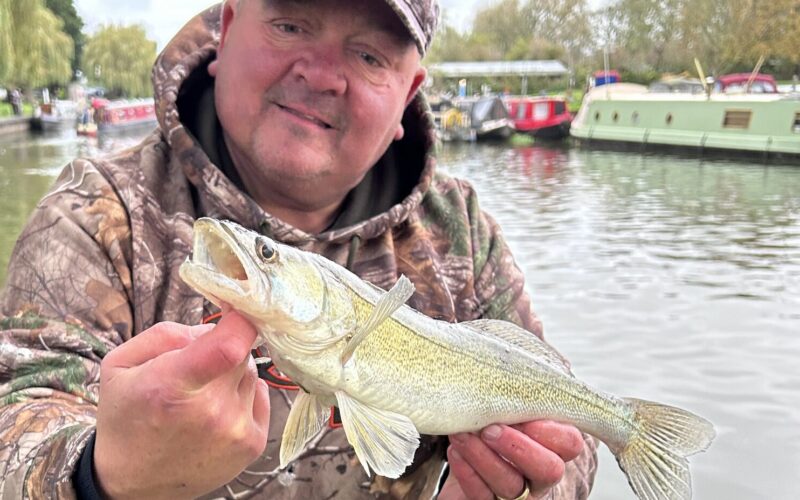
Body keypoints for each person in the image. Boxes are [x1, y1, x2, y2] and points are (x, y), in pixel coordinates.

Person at [0, 0, 597, 498]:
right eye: (290, 24)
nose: (320, 75)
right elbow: (16, 413)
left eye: (368, 56)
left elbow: (571, 429)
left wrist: (528, 483)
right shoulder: (94, 212)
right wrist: (99, 476)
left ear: (408, 93)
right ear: (228, 30)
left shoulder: (461, 226)